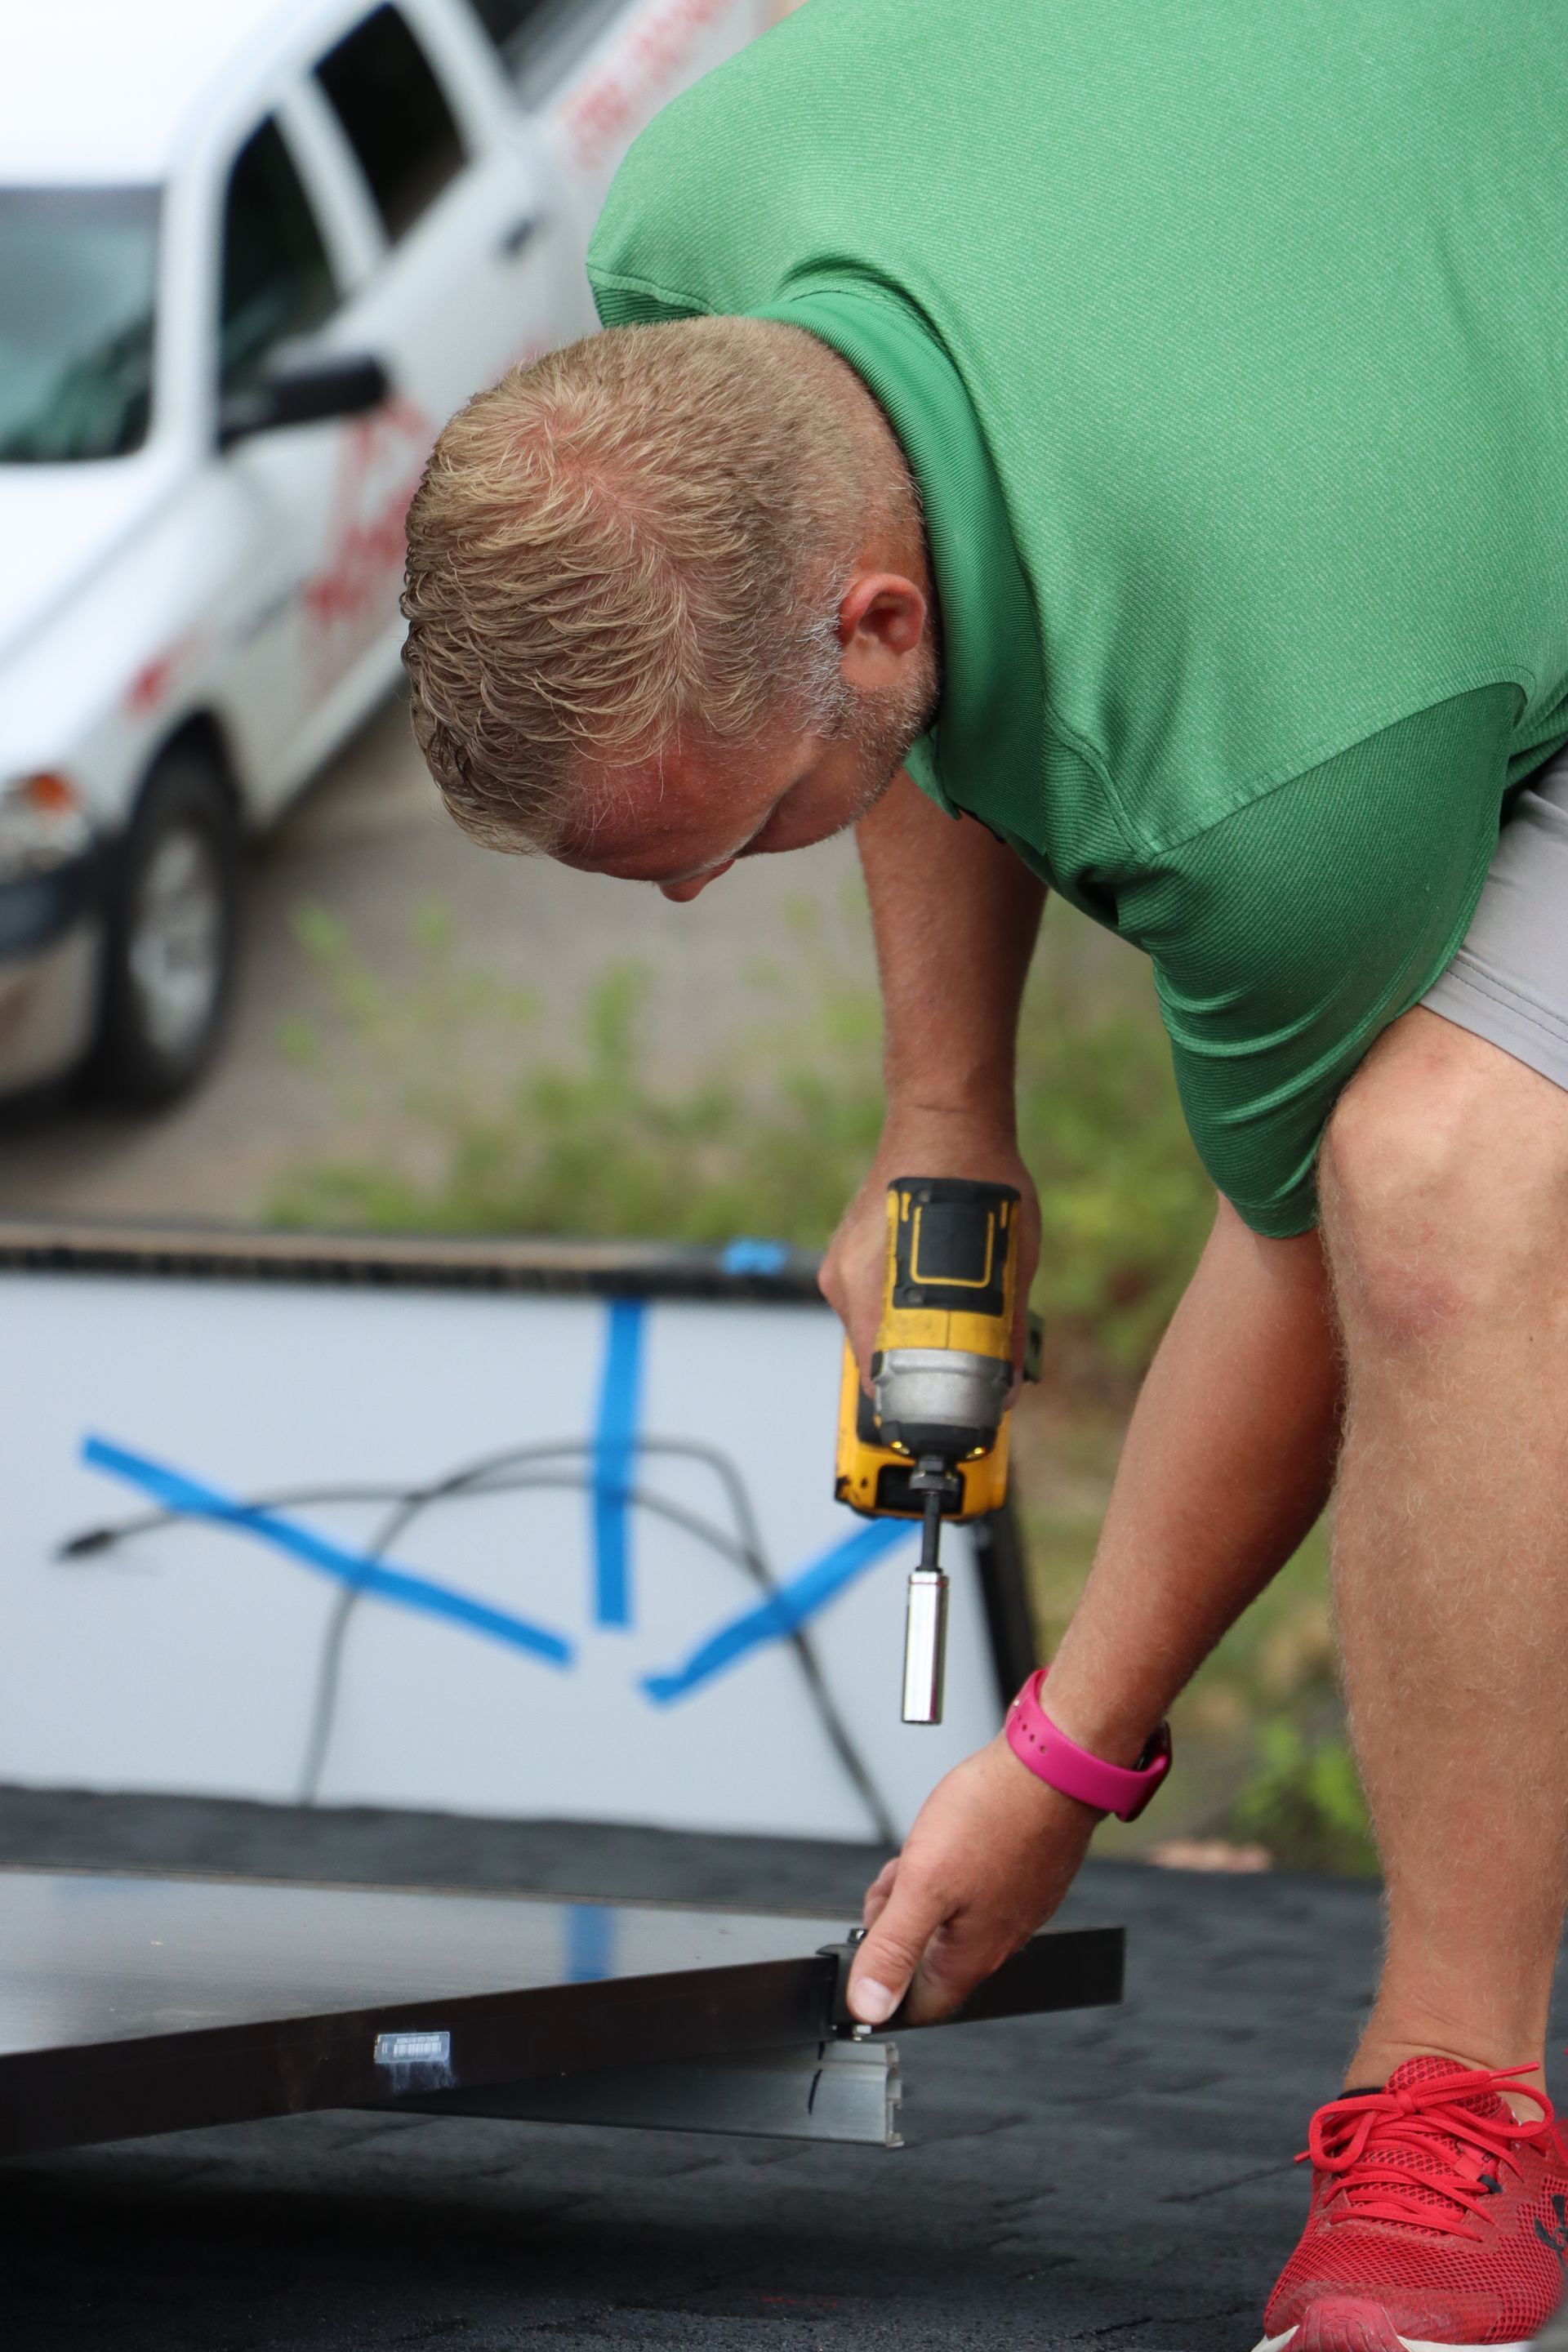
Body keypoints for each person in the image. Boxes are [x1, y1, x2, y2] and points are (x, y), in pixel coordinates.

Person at [399, 2, 1568, 2343]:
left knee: (1433, 1184)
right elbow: (917, 598)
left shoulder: (1285, 774)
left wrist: (1063, 1755)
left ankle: (1462, 2105)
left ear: (872, 625)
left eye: (730, 836)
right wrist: (949, 1107)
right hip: (1389, 220)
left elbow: (1292, 1279)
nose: (699, 899)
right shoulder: (697, 232)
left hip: (1417, 529)